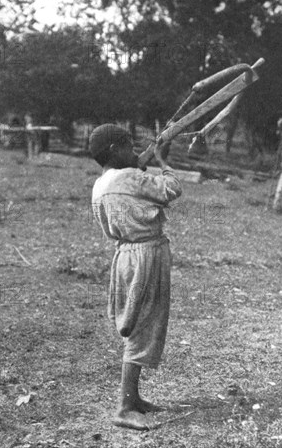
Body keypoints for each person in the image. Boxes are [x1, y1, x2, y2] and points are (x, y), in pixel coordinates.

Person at [89, 124, 182, 431]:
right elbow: (171, 189)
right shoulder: (129, 177)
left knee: (137, 324)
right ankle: (125, 407)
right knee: (143, 326)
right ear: (115, 150)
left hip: (125, 256)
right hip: (145, 255)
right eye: (129, 146)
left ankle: (134, 397)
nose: (134, 151)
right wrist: (161, 160)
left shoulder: (100, 185)